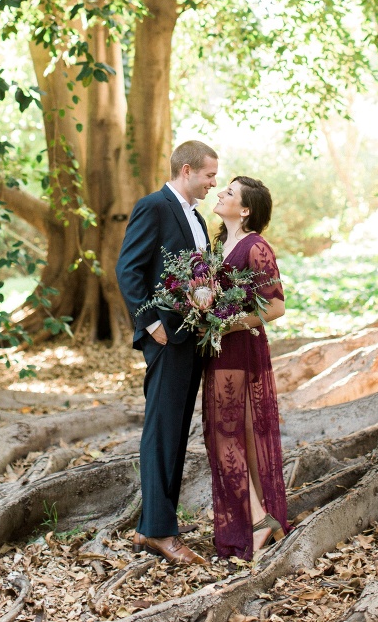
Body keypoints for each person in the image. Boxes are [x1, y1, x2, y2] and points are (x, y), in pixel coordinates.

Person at [116, 139, 219, 565]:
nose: (215, 182)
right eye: (210, 175)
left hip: (191, 338)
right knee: (161, 432)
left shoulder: (196, 217)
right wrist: (150, 323)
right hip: (166, 338)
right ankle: (159, 531)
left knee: (176, 433)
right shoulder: (154, 206)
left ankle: (157, 524)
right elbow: (128, 268)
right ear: (188, 170)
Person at [204, 176, 289, 560]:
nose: (220, 193)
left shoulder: (256, 247)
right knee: (236, 436)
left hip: (241, 349)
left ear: (245, 209)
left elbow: (274, 307)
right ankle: (265, 518)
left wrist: (228, 322)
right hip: (220, 351)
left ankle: (257, 521)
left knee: (228, 437)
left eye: (229, 193)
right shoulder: (220, 244)